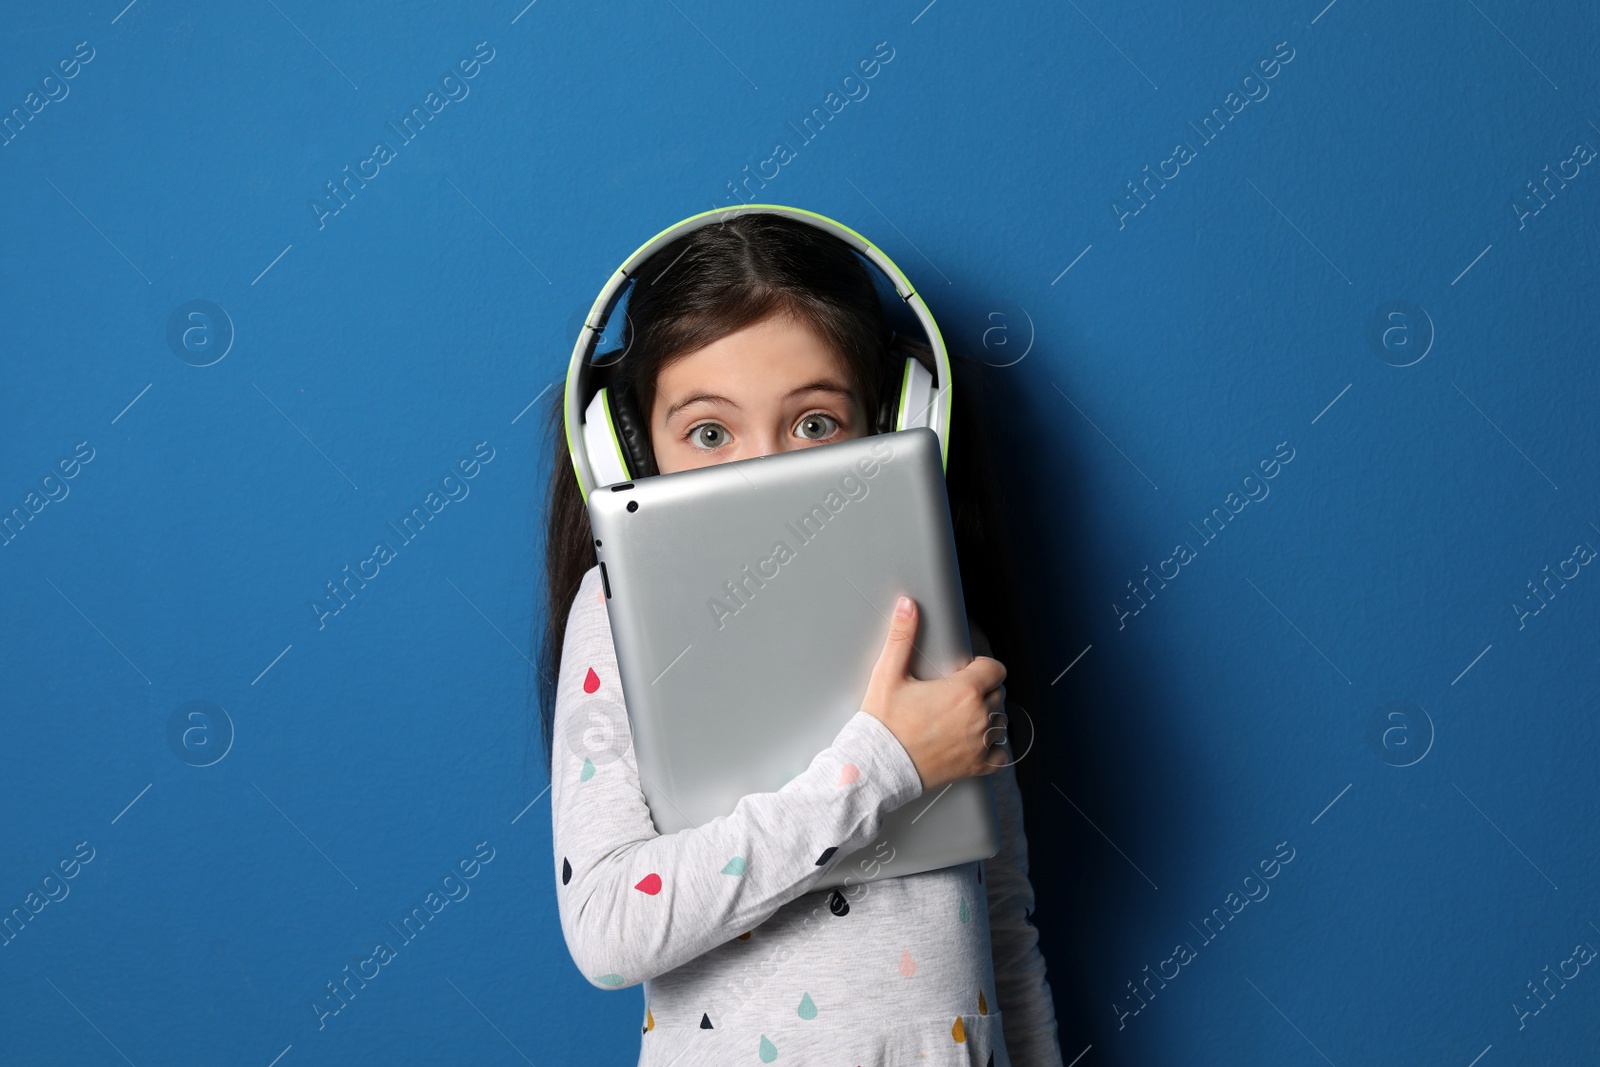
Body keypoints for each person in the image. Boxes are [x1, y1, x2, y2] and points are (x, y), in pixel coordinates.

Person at [535, 211, 1064, 1065]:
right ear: (629, 446)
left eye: (813, 422)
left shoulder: (940, 615)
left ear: (895, 419)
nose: (763, 466)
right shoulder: (616, 619)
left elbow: (1003, 919)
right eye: (710, 432)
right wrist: (886, 763)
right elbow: (608, 926)